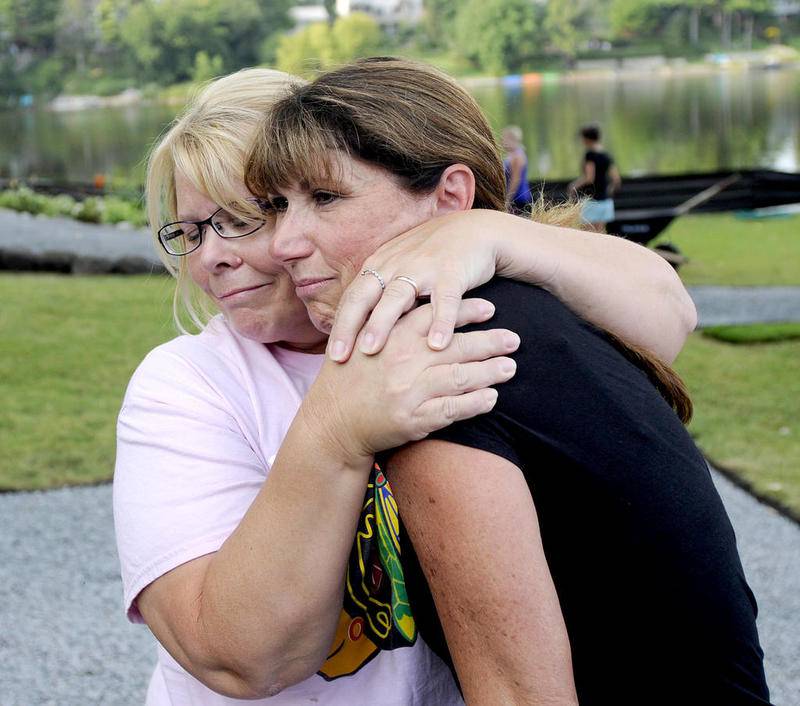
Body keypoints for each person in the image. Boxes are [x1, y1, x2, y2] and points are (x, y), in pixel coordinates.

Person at [114, 68, 697, 705]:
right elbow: (237, 659)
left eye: (247, 216)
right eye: (189, 233)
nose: (209, 258)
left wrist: (486, 230)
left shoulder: (453, 318)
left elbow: (670, 316)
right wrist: (334, 431)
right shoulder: (186, 385)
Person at [248, 57, 771, 705]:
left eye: (325, 198)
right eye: (277, 206)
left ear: (450, 197)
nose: (284, 243)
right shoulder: (529, 299)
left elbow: (520, 695)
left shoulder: (439, 348)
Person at [568, 123, 622, 233]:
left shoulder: (590, 155)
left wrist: (573, 186)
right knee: (600, 234)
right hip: (606, 202)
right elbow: (616, 179)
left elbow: (589, 178)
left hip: (592, 201)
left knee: (587, 234)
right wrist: (609, 190)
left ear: (587, 139)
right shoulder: (607, 155)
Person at [501, 125, 533, 215]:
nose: (502, 141)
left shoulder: (518, 157)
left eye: (504, 138)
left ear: (512, 139)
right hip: (516, 198)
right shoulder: (512, 156)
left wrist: (508, 200)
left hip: (519, 198)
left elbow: (515, 180)